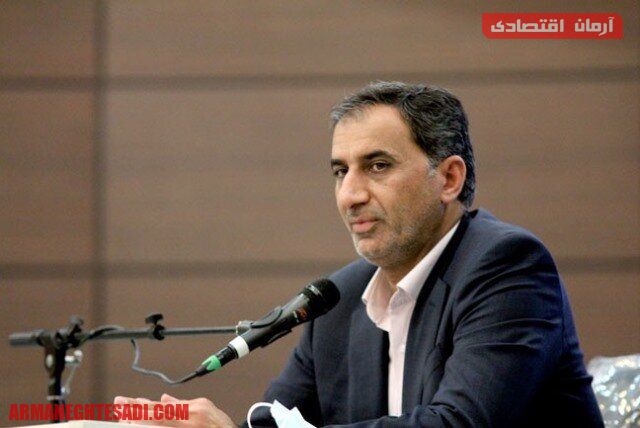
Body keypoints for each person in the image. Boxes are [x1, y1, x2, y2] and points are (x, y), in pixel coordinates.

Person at [114, 82, 603, 427]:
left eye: (377, 166)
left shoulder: (507, 267)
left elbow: (457, 423)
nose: (349, 195)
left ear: (449, 179)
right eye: (339, 171)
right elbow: (279, 422)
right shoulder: (339, 297)